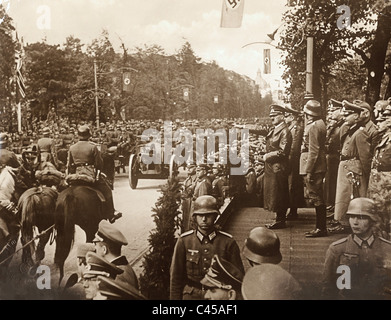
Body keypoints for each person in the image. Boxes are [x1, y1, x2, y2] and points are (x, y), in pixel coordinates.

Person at [170, 195, 244, 300]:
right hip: (191, 296)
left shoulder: (227, 242)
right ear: (194, 217)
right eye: (200, 215)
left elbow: (238, 277)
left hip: (218, 296)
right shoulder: (184, 241)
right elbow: (175, 278)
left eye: (208, 215)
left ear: (215, 216)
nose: (204, 219)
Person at [321, 198, 391, 299]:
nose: (355, 222)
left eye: (361, 218)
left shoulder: (387, 248)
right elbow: (328, 288)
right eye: (352, 217)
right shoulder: (337, 249)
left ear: (372, 220)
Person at [329, 101, 373, 234]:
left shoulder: (360, 133)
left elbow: (365, 157)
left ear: (355, 116)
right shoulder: (351, 130)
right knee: (343, 197)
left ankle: (346, 224)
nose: (344, 117)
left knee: (351, 197)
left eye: (347, 115)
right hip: (347, 167)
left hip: (353, 169)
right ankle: (343, 222)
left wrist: (367, 175)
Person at [66, 125, 122, 223]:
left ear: (78, 135)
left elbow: (69, 164)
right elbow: (99, 164)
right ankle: (111, 213)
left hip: (75, 175)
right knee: (107, 190)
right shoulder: (93, 147)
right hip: (89, 174)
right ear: (89, 135)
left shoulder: (72, 147)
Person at [300, 100, 328, 237]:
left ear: (308, 114)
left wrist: (308, 170)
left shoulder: (313, 127)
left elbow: (313, 151)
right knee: (318, 196)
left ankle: (320, 228)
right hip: (320, 165)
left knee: (316, 197)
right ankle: (320, 227)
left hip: (315, 167)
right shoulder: (320, 124)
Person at [263, 104, 292, 229]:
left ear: (282, 116)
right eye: (271, 116)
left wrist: (267, 156)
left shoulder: (285, 131)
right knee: (276, 193)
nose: (272, 118)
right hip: (273, 166)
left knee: (279, 193)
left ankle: (280, 220)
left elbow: (283, 151)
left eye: (275, 115)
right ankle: (279, 218)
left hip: (278, 166)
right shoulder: (276, 129)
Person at [93, 220, 140, 291]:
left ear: (104, 250)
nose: (94, 248)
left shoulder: (115, 276)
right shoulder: (124, 268)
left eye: (96, 244)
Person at [284, 105, 305, 220]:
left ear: (292, 117)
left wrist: (288, 161)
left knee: (293, 185)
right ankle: (292, 209)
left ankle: (293, 210)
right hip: (293, 160)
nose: (285, 118)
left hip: (293, 160)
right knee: (292, 185)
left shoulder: (296, 128)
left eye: (287, 116)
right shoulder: (292, 127)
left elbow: (294, 148)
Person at [181, 162, 197, 232]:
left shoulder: (197, 179)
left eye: (191, 167)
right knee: (185, 220)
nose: (189, 169)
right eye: (188, 167)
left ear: (195, 168)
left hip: (192, 202)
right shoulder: (188, 179)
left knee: (191, 222)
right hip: (186, 202)